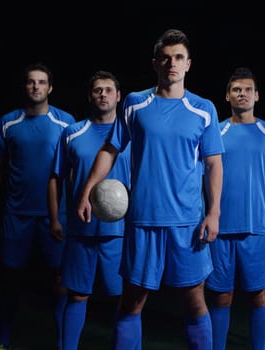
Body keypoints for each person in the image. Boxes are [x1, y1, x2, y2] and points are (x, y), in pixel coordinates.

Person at [76, 28, 224, 350]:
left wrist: (213, 212)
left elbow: (214, 164)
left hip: (187, 222)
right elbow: (110, 149)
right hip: (142, 220)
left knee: (194, 300)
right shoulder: (134, 104)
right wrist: (88, 189)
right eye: (166, 57)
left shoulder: (204, 109)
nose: (172, 63)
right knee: (131, 302)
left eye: (179, 57)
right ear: (155, 63)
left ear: (188, 64)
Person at [0, 62, 76, 350]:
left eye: (41, 82)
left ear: (50, 88)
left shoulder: (65, 122)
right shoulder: (8, 122)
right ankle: (2, 341)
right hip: (16, 214)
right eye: (31, 82)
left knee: (62, 279)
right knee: (11, 278)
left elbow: (74, 168)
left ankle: (63, 343)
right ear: (25, 87)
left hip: (55, 216)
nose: (36, 86)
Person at [205, 67, 265, 350]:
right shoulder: (215, 131)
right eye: (236, 89)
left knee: (258, 296)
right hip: (221, 228)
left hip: (258, 228)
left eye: (248, 90)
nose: (242, 94)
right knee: (221, 297)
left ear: (257, 96)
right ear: (227, 95)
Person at [47, 70, 130, 350]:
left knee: (125, 299)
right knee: (77, 295)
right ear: (90, 96)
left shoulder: (132, 136)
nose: (103, 94)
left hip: (120, 233)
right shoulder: (72, 133)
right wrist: (56, 218)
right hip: (81, 230)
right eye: (98, 90)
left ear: (118, 96)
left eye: (109, 89)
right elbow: (56, 177)